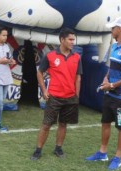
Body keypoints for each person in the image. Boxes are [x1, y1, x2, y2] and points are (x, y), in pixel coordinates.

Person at [85, 17, 121, 171]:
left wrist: (113, 85)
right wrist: (106, 78)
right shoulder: (114, 46)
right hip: (110, 94)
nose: (111, 30)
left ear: (119, 29)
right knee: (105, 122)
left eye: (113, 27)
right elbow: (112, 67)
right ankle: (102, 153)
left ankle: (118, 157)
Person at [30, 28, 82, 160]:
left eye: (73, 39)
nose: (73, 42)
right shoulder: (50, 56)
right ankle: (38, 150)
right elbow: (39, 72)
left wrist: (77, 95)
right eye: (70, 39)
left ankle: (58, 148)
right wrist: (44, 89)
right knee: (46, 124)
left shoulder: (77, 57)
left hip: (70, 97)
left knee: (63, 124)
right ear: (62, 40)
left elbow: (78, 77)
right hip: (54, 97)